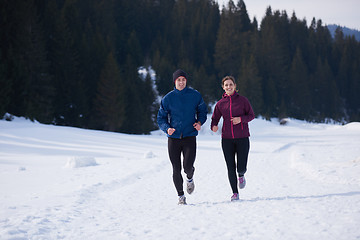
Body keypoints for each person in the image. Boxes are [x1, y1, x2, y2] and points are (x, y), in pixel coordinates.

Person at [157, 69, 207, 205]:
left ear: (186, 81)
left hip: (189, 136)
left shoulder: (195, 95)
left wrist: (199, 122)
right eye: (178, 80)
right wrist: (167, 128)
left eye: (183, 79)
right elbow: (161, 117)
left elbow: (202, 111)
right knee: (176, 168)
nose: (181, 82)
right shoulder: (168, 98)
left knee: (187, 166)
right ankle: (181, 196)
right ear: (175, 82)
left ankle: (190, 178)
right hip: (173, 138)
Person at [210, 76, 255, 201]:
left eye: (231, 84)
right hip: (227, 139)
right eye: (226, 85)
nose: (228, 87)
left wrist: (240, 119)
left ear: (235, 86)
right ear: (223, 87)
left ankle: (241, 175)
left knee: (241, 167)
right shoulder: (220, 104)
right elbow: (215, 118)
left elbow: (251, 115)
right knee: (230, 166)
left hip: (242, 137)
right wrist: (213, 126)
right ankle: (235, 193)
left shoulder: (243, 101)